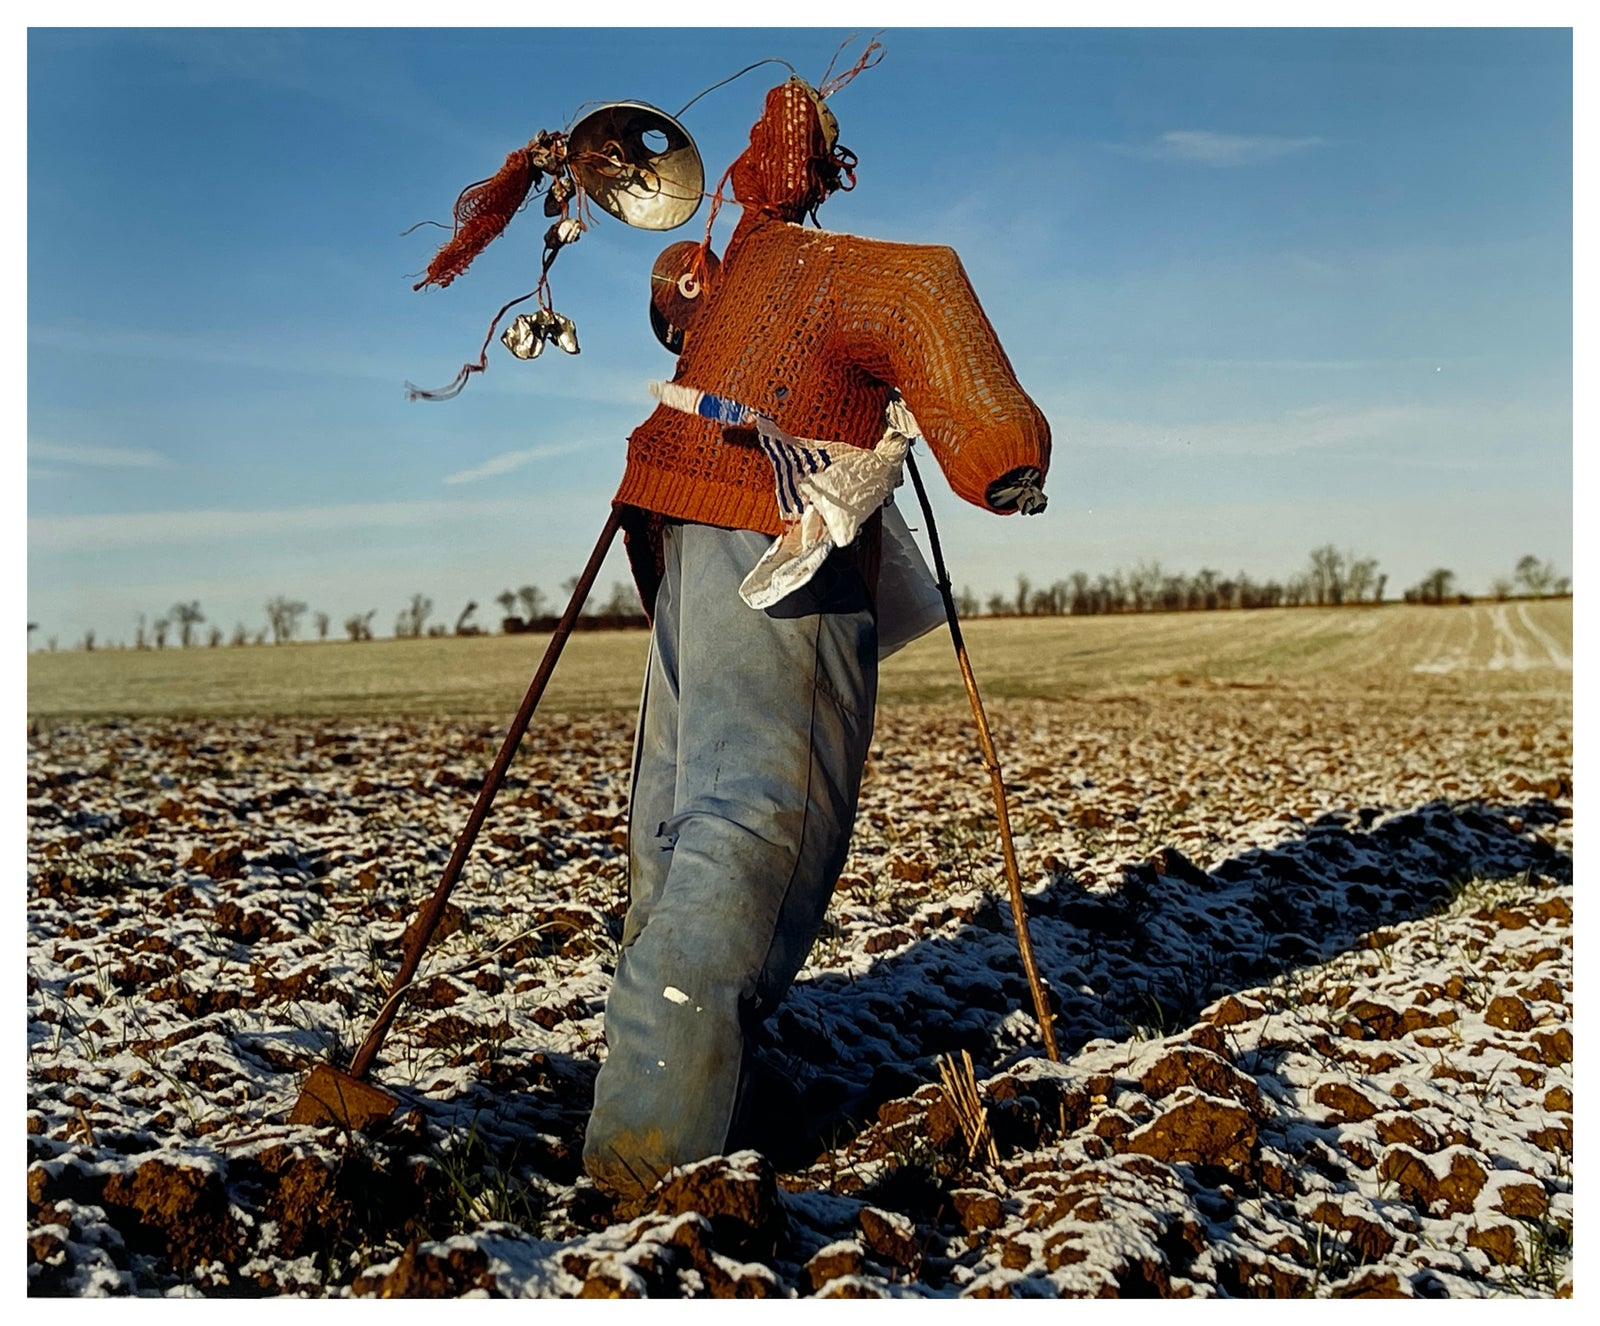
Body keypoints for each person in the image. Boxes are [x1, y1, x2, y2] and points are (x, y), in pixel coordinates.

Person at [581, 71, 1052, 1199]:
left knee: (680, 819)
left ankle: (675, 1094)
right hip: (775, 549)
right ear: (826, 166)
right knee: (756, 827)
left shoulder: (726, 273)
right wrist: (1005, 455)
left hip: (679, 535)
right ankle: (656, 1155)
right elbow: (926, 297)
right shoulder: (830, 269)